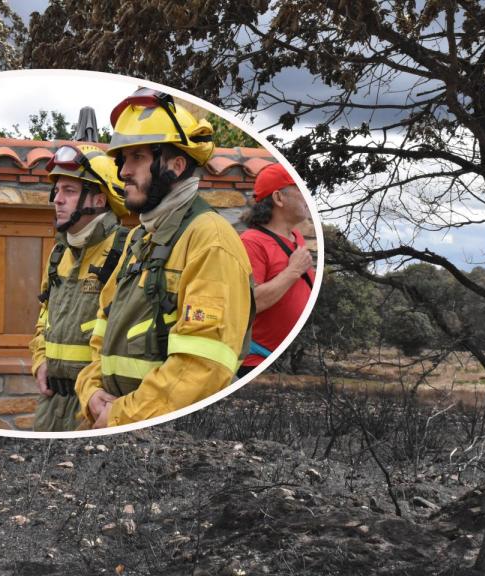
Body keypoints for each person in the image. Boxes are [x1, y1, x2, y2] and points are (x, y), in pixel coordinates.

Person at [74, 88, 255, 429]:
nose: (123, 171)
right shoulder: (140, 240)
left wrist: (122, 415)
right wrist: (91, 393)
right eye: (122, 159)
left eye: (137, 157)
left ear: (175, 165)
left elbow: (202, 365)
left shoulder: (210, 240)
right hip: (116, 421)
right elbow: (102, 332)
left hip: (165, 434)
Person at [28, 144, 129, 431]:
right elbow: (44, 317)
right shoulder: (59, 253)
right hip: (52, 402)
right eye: (57, 191)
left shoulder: (126, 251)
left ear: (98, 200)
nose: (57, 200)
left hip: (96, 405)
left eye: (69, 192)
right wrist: (40, 362)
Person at [238, 163, 315, 377]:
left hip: (284, 361)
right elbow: (251, 302)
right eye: (300, 190)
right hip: (257, 363)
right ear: (279, 198)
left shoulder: (296, 237)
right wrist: (293, 271)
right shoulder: (252, 242)